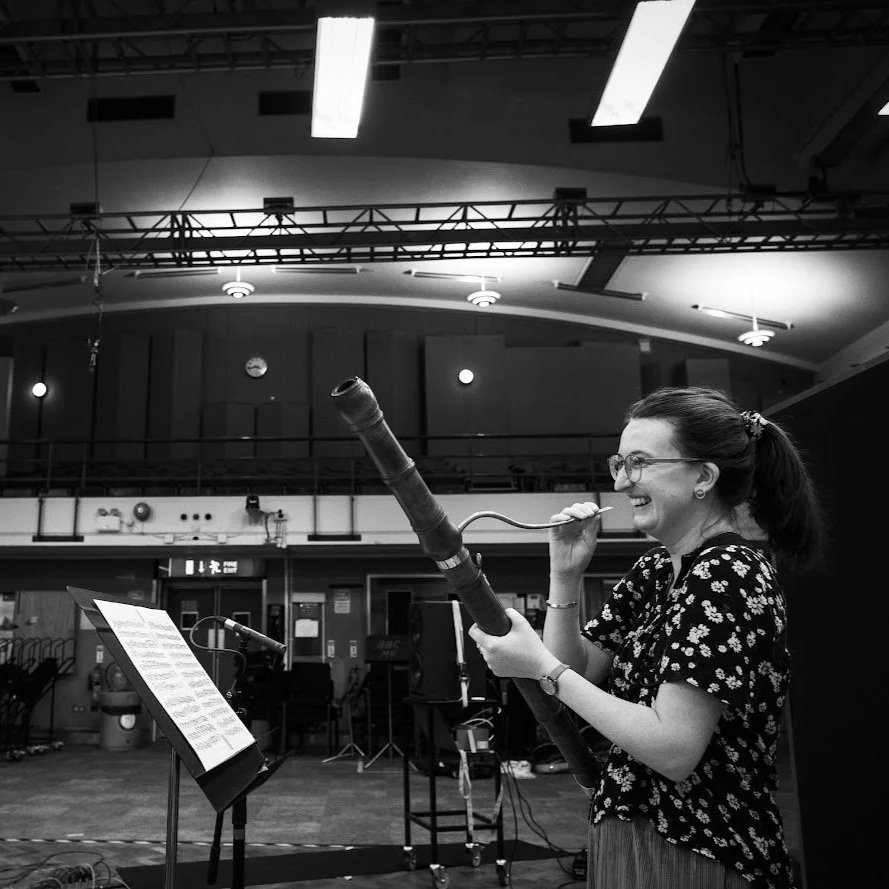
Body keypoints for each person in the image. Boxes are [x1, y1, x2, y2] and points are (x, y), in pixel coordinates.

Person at [469, 386, 824, 889]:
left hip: (702, 851)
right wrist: (564, 574)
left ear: (703, 476)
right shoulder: (656, 569)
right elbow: (580, 668)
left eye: (638, 462)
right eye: (619, 463)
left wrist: (541, 668)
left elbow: (673, 749)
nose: (620, 481)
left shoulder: (729, 571)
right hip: (638, 837)